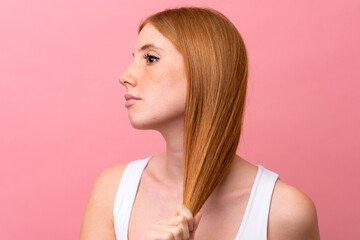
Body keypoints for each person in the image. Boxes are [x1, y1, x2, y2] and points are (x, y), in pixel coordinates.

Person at [79, 7, 320, 240]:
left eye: (150, 58)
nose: (125, 76)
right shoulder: (113, 193)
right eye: (135, 58)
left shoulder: (284, 213)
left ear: (204, 70)